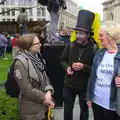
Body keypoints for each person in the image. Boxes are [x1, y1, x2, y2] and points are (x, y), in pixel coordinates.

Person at [60, 10, 96, 120]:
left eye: (81, 34)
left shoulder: (94, 49)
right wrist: (67, 68)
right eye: (77, 33)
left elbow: (96, 69)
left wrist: (83, 67)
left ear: (88, 35)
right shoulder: (71, 45)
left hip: (85, 87)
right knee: (67, 111)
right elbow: (63, 59)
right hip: (69, 85)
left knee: (84, 112)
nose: (78, 36)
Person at [14, 34, 54, 120]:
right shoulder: (20, 63)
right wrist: (45, 98)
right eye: (37, 43)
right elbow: (27, 89)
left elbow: (45, 77)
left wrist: (49, 91)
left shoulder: (38, 58)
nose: (40, 45)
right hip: (31, 110)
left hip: (44, 106)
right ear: (29, 46)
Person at [86, 21, 120, 120]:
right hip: (97, 102)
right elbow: (92, 77)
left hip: (113, 105)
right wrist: (90, 96)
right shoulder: (98, 53)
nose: (98, 38)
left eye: (101, 35)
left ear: (110, 36)